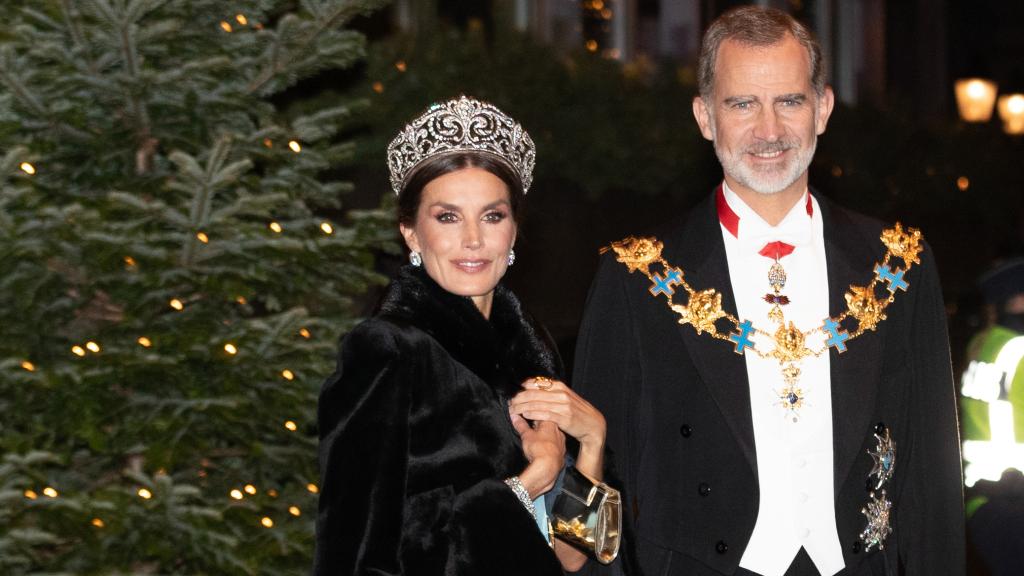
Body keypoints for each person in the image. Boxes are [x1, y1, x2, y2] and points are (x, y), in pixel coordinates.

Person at [571, 6, 963, 576]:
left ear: (823, 108)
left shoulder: (897, 265)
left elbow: (931, 477)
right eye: (741, 104)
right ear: (705, 117)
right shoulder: (637, 276)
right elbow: (598, 473)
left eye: (789, 101)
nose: (770, 131)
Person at [313, 96, 609, 575]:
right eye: (447, 217)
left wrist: (592, 440)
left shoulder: (532, 352)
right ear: (410, 232)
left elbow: (573, 557)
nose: (473, 240)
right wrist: (530, 481)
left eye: (492, 216)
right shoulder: (388, 351)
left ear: (513, 231)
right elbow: (354, 551)